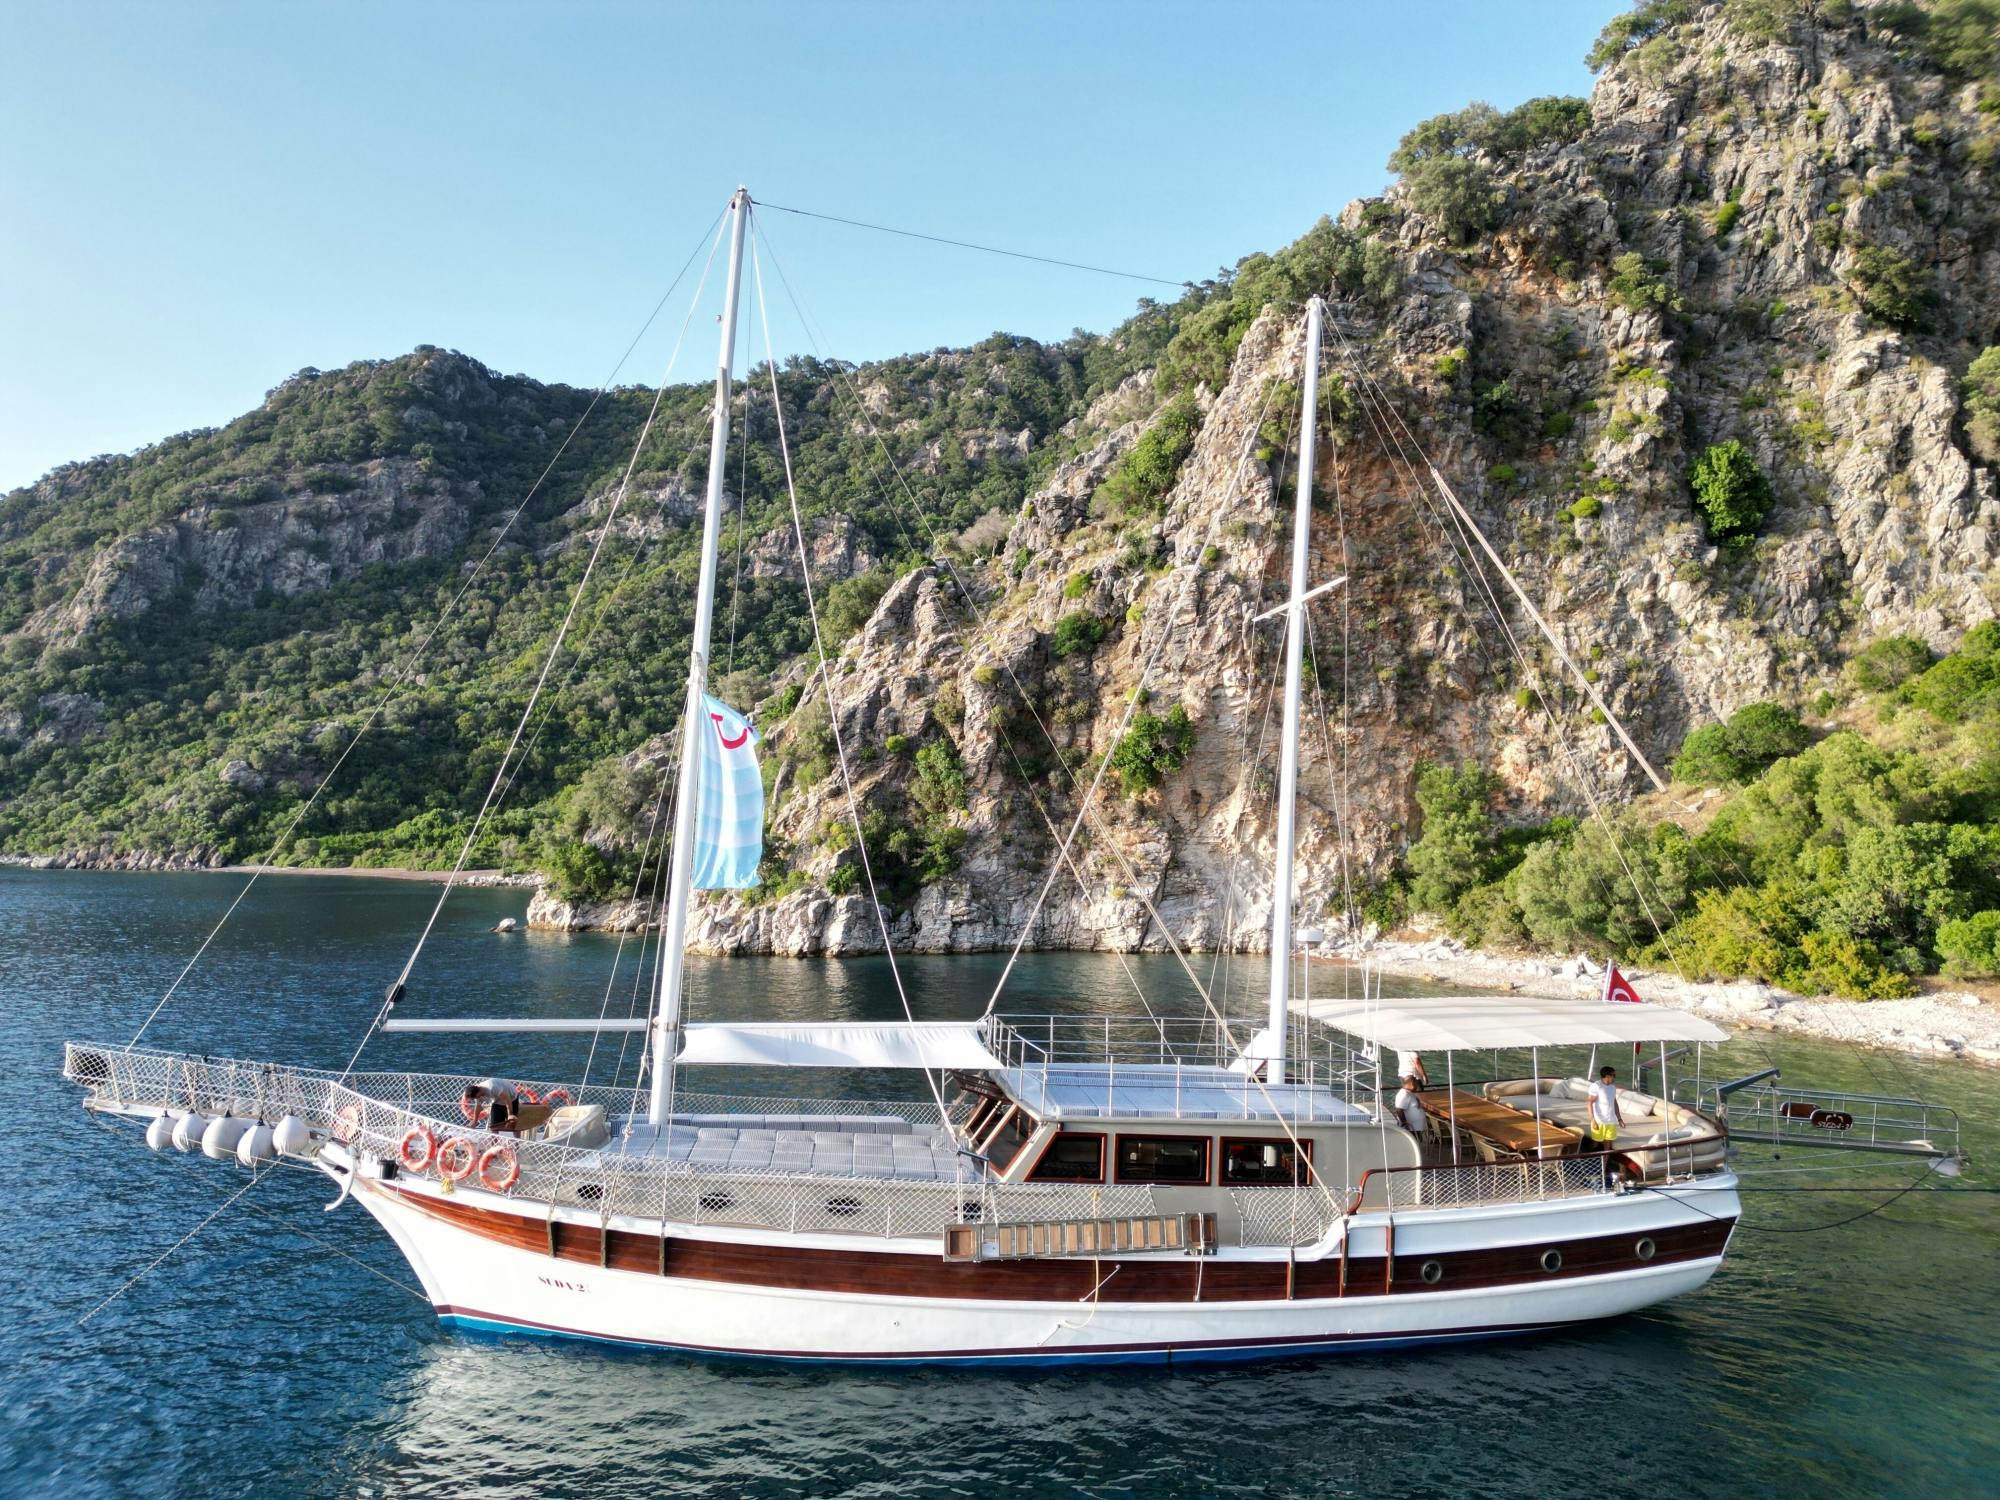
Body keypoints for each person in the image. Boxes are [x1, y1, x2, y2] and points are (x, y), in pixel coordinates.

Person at [1587, 1065, 1622, 1183]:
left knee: (1608, 1146)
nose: (1615, 1077)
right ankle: (1590, 1162)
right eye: (1613, 1075)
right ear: (1607, 1076)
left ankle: (1603, 1168)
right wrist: (1592, 1120)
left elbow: (1614, 1102)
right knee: (1596, 1143)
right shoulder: (1596, 1086)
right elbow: (1589, 1103)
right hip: (1599, 1120)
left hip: (1610, 1121)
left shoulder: (1612, 1087)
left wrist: (1619, 1118)